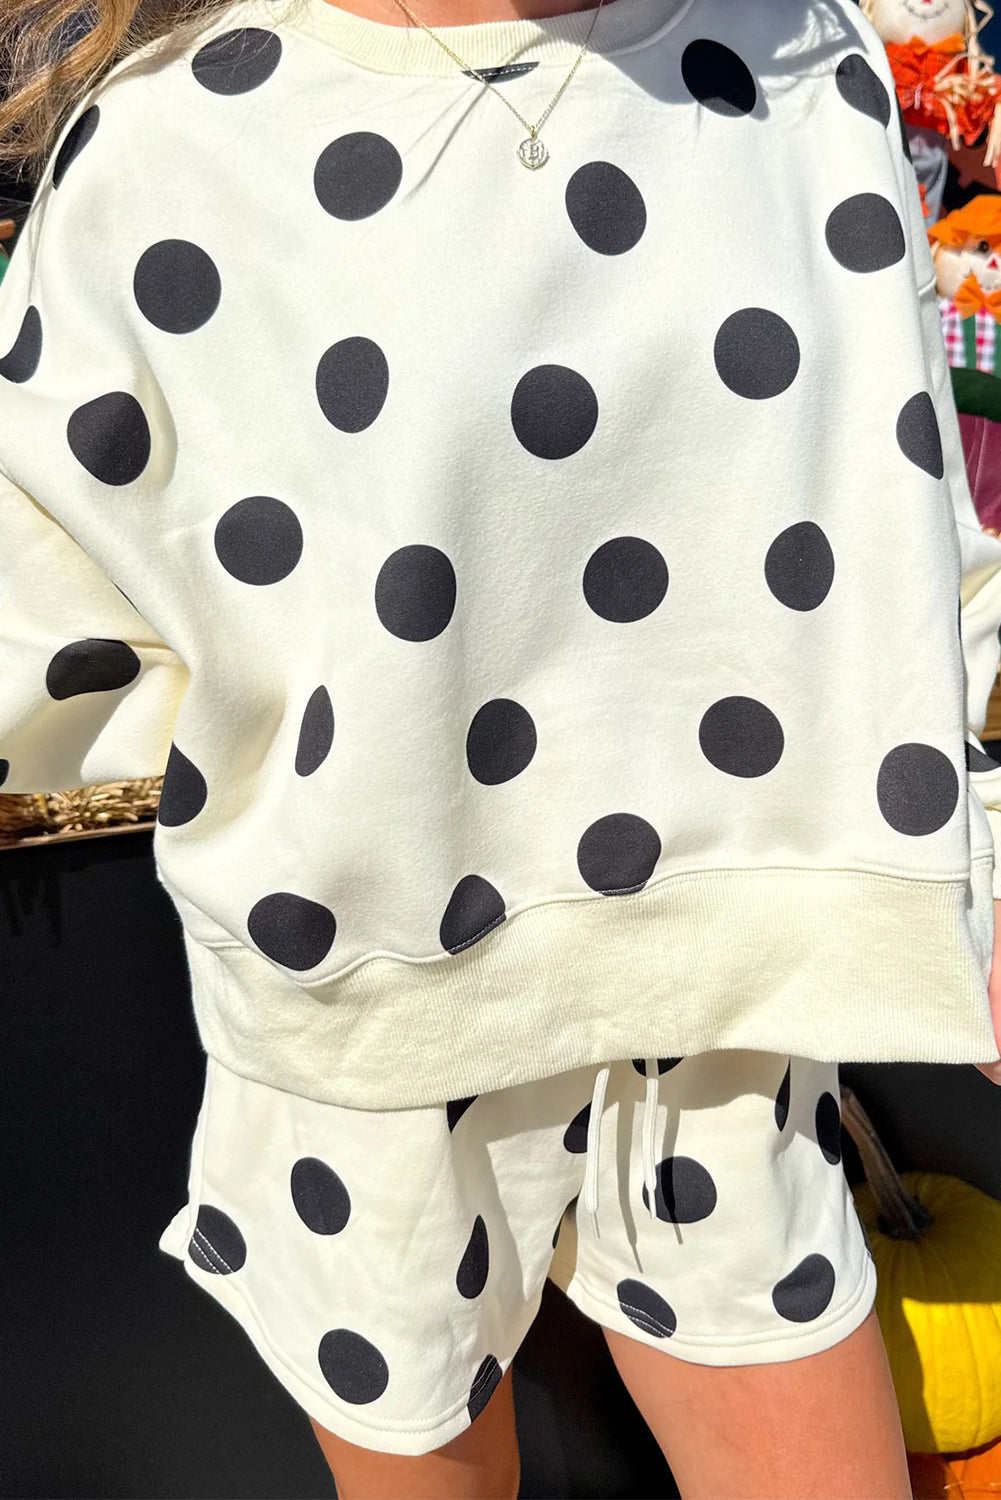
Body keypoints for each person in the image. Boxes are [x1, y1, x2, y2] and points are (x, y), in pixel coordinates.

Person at [2, 0, 1001, 1494]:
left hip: (736, 971)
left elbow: (905, 515)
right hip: (372, 989)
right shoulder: (175, 144)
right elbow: (48, 585)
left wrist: (969, 843)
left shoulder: (798, 63)